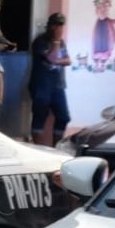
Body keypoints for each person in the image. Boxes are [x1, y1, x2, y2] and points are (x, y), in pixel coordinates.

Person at [29, 13, 73, 146]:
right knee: (39, 117)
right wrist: (55, 42)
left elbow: (68, 60)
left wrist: (57, 59)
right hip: (41, 86)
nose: (59, 28)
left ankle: (56, 148)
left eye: (61, 25)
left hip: (58, 86)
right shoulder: (40, 42)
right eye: (56, 25)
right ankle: (37, 149)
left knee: (64, 117)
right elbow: (52, 58)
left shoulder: (62, 42)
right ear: (50, 26)